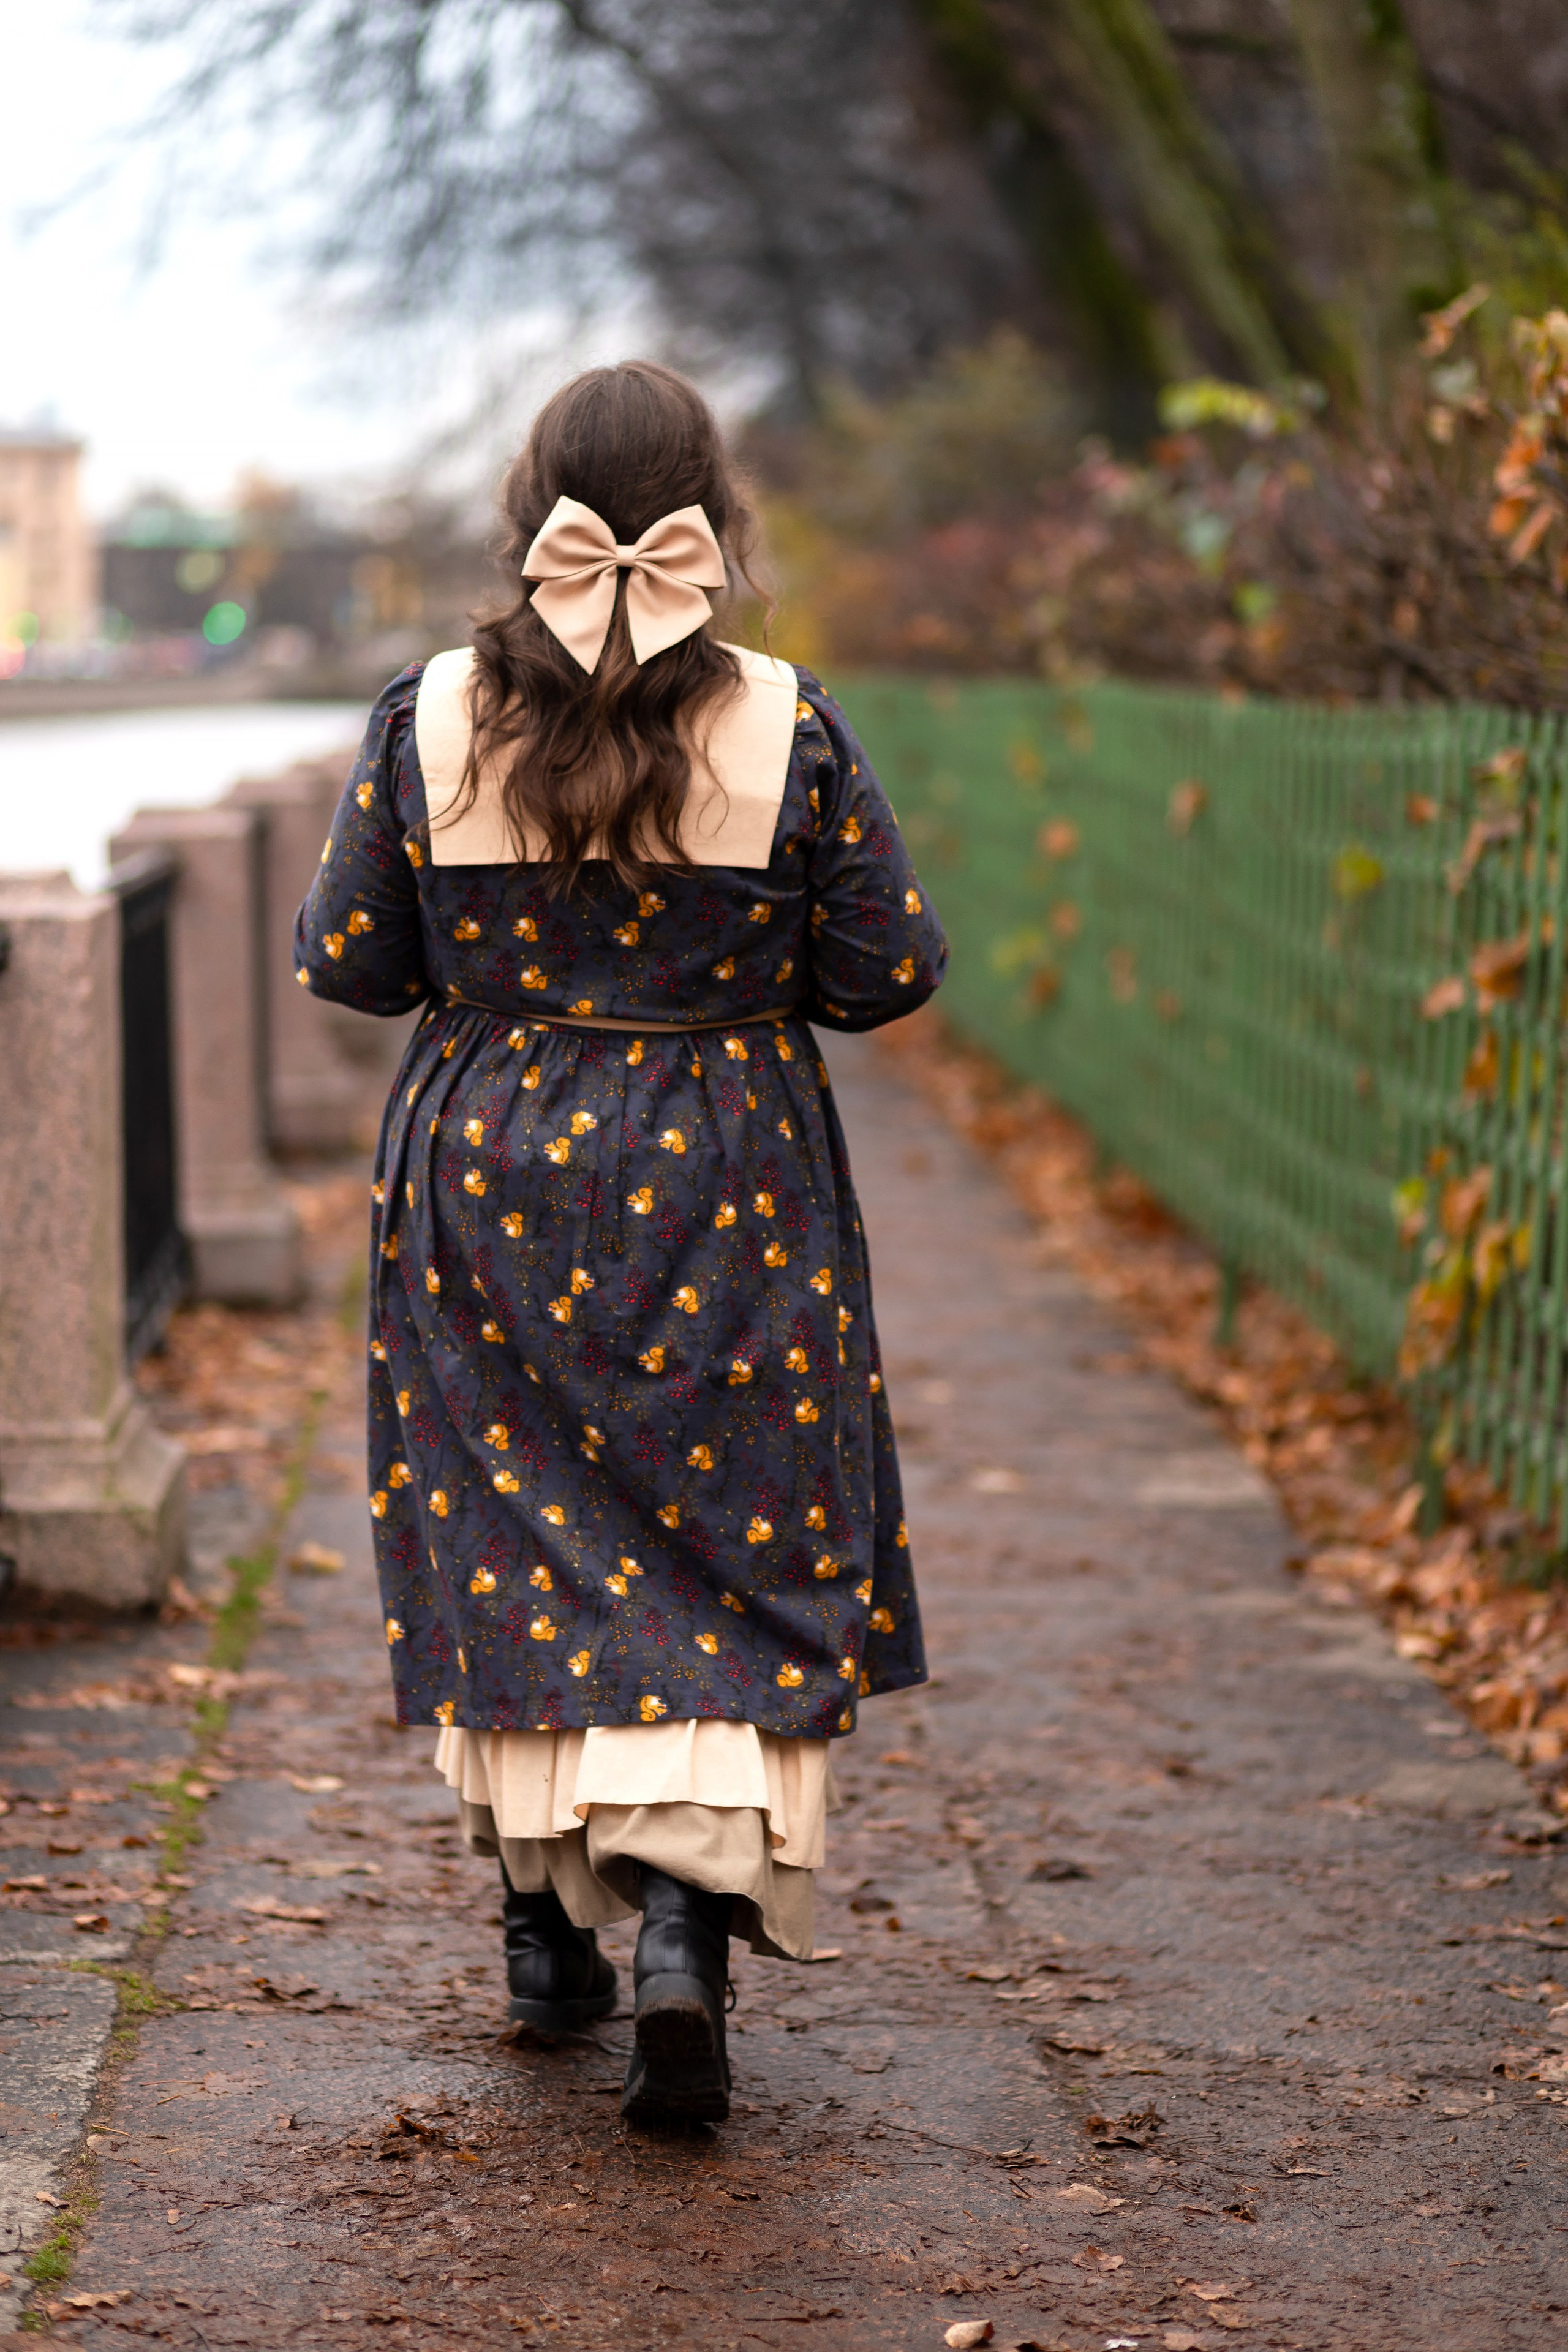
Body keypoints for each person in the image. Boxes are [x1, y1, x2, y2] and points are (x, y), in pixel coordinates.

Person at [295, 360, 947, 2124]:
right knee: (734, 1542)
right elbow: (887, 971)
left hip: (490, 1167)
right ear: (712, 522)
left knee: (509, 1527)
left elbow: (348, 960)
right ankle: (679, 1934)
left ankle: (538, 1931)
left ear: (534, 522)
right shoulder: (790, 723)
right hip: (729, 1165)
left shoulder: (429, 716)